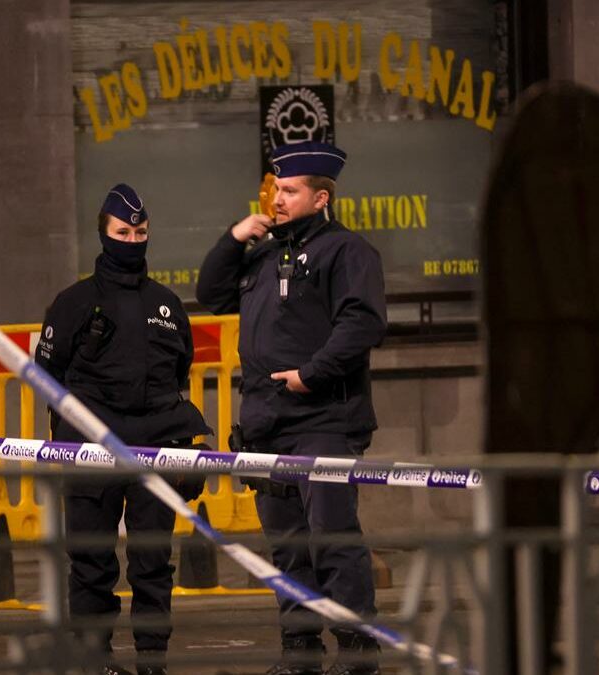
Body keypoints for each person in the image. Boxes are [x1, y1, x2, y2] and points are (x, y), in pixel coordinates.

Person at [196, 141, 387, 675]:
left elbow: (362, 323)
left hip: (323, 418)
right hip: (265, 422)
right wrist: (234, 238)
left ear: (321, 197)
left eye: (289, 190)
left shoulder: (346, 251)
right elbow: (210, 294)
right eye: (275, 189)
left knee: (331, 535)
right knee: (287, 545)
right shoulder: (263, 252)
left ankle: (357, 648)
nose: (277, 199)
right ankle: (300, 651)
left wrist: (312, 374)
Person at [36, 184, 210, 675]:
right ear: (103, 233)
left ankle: (152, 662)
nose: (132, 241)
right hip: (91, 448)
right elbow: (48, 373)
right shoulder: (73, 303)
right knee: (91, 564)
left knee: (153, 565)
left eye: (140, 232)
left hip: (156, 446)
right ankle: (94, 662)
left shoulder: (167, 304)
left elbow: (179, 375)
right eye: (122, 232)